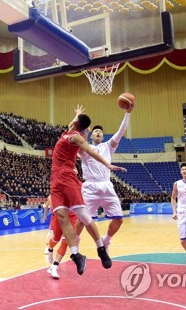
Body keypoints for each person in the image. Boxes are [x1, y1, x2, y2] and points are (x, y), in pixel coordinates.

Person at [50, 105, 126, 275]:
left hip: (68, 177)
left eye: (74, 121)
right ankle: (77, 255)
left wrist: (107, 164)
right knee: (63, 218)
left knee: (84, 217)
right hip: (55, 180)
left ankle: (101, 249)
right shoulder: (68, 132)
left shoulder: (76, 137)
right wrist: (77, 114)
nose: (71, 123)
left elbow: (91, 152)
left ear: (78, 126)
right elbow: (72, 124)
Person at [76, 103, 133, 253]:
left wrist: (127, 113)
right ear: (91, 134)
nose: (98, 133)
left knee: (119, 219)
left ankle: (106, 240)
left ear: (103, 135)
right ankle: (74, 243)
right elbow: (80, 148)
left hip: (106, 185)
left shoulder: (108, 146)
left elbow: (121, 132)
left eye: (100, 132)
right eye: (95, 132)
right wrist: (85, 133)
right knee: (82, 219)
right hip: (90, 187)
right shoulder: (85, 147)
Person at [43, 193, 79, 279]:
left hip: (72, 216)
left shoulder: (73, 189)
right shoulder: (52, 196)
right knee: (56, 239)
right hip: (58, 217)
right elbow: (52, 208)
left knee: (66, 241)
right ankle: (50, 248)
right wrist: (44, 215)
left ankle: (54, 266)